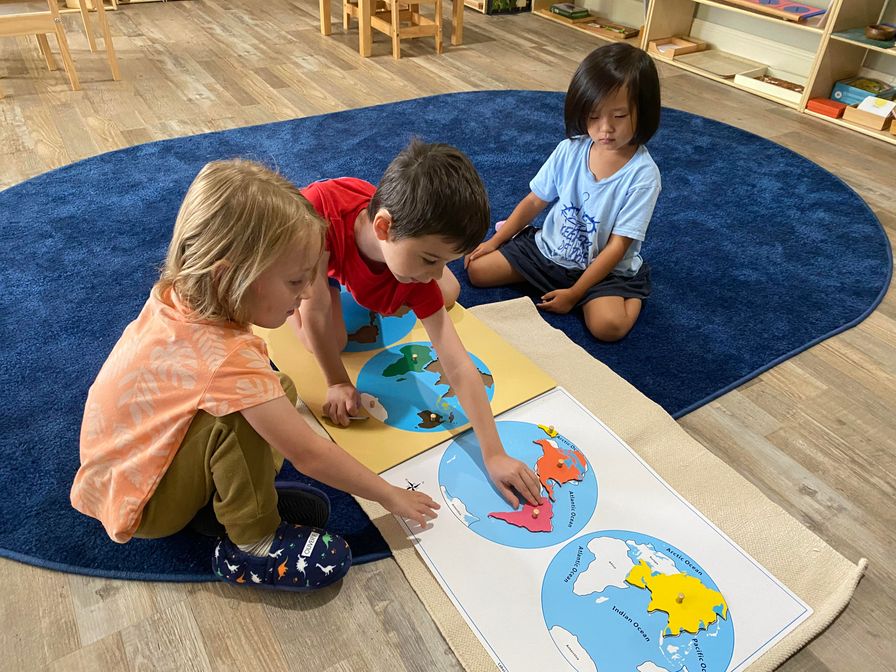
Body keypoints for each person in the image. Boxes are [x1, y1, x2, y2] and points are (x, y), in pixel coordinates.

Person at [70, 159, 439, 592]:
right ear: (229, 275)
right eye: (295, 281)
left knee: (274, 387)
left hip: (121, 465)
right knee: (241, 415)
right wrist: (388, 495)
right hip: (144, 504)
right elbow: (309, 455)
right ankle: (252, 540)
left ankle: (225, 501)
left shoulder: (180, 296)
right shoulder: (225, 358)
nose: (305, 294)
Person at [294, 140, 542, 509]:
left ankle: (381, 280)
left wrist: (494, 454)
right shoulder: (318, 217)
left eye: (444, 261)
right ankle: (307, 287)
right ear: (384, 228)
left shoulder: (417, 268)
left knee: (446, 291)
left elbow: (457, 364)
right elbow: (314, 312)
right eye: (430, 259)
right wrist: (337, 382)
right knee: (330, 337)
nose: (434, 273)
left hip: (376, 241)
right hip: (316, 233)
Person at [465, 43, 662, 342]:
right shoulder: (569, 150)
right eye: (594, 116)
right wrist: (495, 241)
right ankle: (535, 261)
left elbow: (617, 247)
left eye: (619, 116)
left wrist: (575, 294)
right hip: (550, 251)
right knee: (476, 269)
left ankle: (636, 287)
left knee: (608, 328)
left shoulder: (643, 175)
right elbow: (534, 200)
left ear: (643, 111)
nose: (605, 128)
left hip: (604, 271)